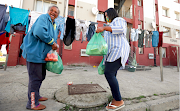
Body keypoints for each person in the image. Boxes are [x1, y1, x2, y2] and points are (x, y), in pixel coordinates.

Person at [20, 5, 59, 110]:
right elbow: (39, 32)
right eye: (51, 10)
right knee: (35, 79)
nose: (53, 13)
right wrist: (52, 42)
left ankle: (36, 96)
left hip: (42, 56)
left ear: (58, 15)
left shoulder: (53, 23)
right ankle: (32, 103)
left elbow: (51, 38)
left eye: (56, 12)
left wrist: (54, 45)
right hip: (35, 54)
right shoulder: (43, 18)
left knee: (41, 76)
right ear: (48, 11)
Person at [96, 8, 130, 111]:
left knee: (109, 73)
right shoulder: (109, 27)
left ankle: (119, 100)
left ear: (111, 14)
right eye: (105, 16)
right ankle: (115, 98)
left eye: (107, 15)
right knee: (112, 75)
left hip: (119, 51)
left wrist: (104, 28)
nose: (106, 17)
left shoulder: (118, 20)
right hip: (111, 54)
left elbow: (120, 29)